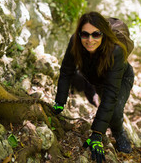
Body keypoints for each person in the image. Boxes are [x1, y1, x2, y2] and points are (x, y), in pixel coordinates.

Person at [52, 11, 134, 162]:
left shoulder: (116, 50)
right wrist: (60, 102)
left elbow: (111, 93)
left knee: (114, 110)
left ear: (104, 34)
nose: (90, 40)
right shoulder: (75, 42)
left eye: (96, 34)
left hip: (121, 79)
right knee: (104, 106)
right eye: (85, 34)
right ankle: (105, 115)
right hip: (95, 79)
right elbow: (66, 72)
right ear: (79, 34)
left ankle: (119, 133)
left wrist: (97, 134)